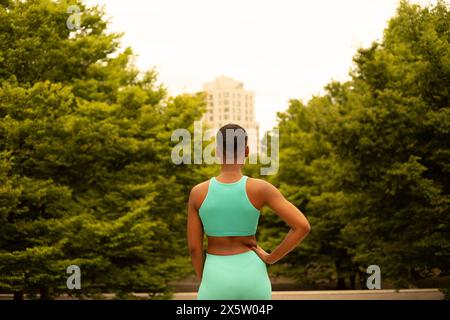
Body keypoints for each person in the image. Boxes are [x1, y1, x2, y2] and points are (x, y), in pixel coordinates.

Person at [187, 123, 311, 300]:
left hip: (215, 276)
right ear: (246, 151)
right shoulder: (261, 188)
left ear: (217, 151)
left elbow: (194, 248)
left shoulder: (198, 192)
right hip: (252, 275)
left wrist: (205, 279)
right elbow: (302, 226)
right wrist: (271, 258)